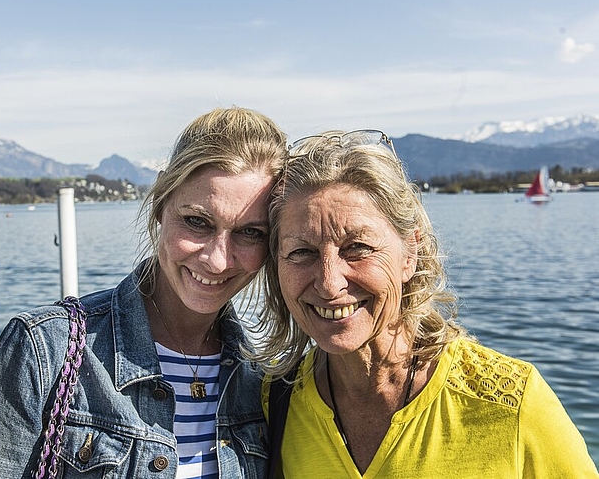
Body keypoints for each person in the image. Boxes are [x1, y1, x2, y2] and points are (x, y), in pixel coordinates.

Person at [0, 107, 287, 479]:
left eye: (250, 232)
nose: (218, 260)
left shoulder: (264, 378)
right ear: (161, 203)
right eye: (197, 222)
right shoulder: (48, 351)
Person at [252, 130, 598, 478]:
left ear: (410, 253)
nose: (329, 283)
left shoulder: (513, 404)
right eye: (301, 252)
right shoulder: (276, 404)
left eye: (357, 247)